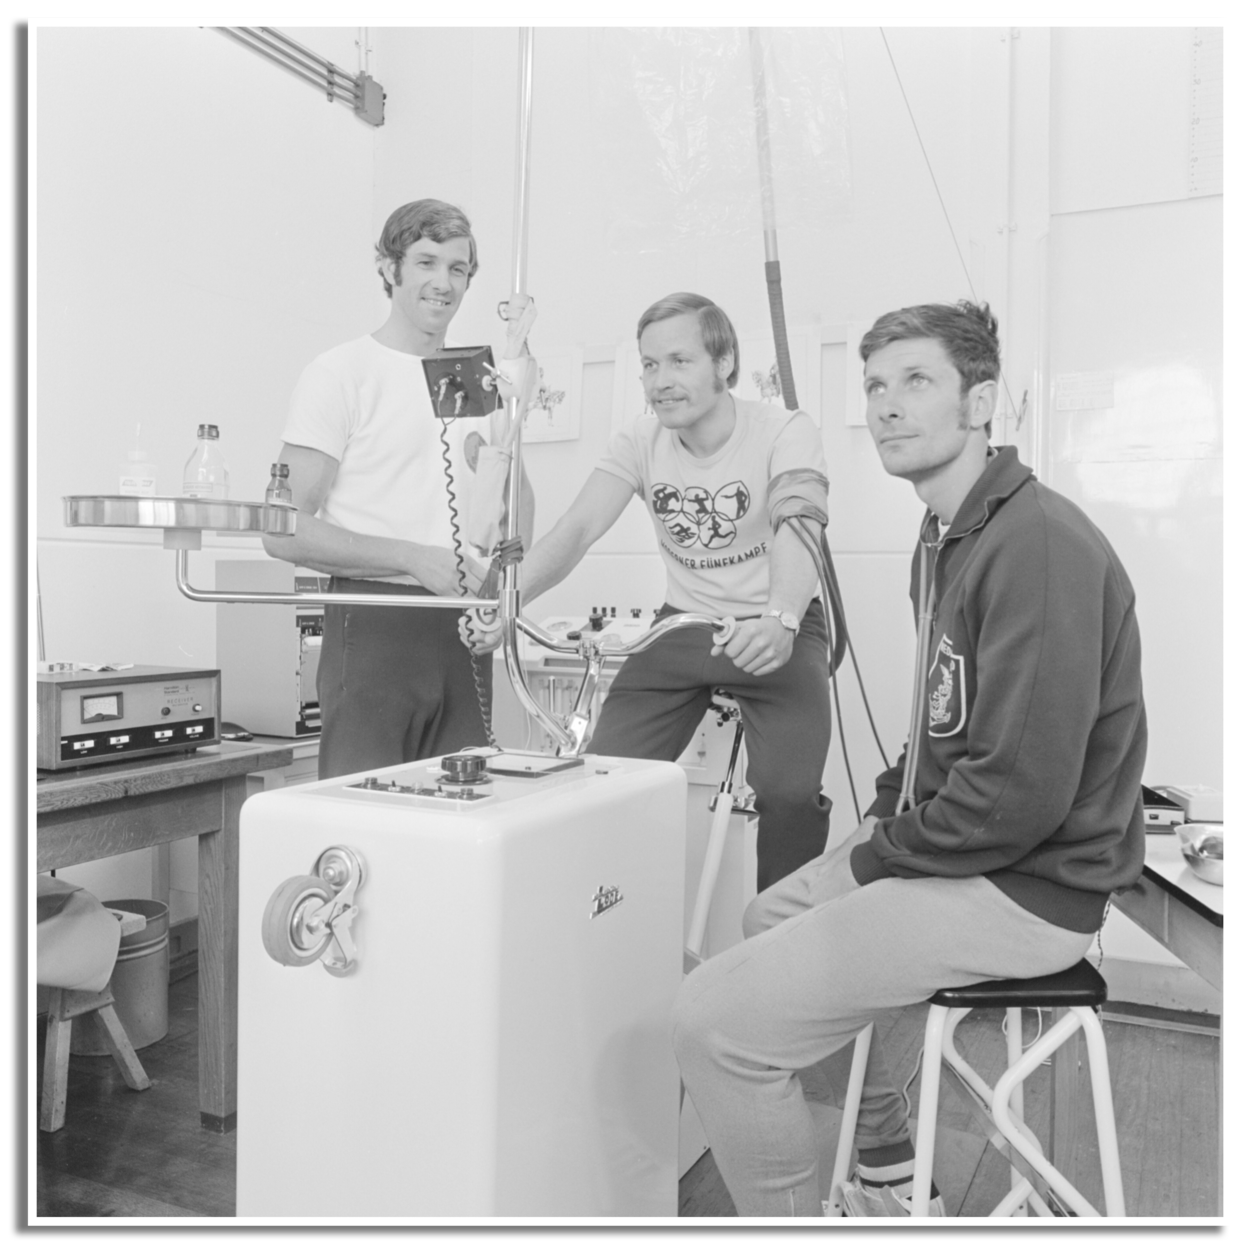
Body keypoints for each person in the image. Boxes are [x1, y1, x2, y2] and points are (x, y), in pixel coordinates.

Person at [671, 300, 1147, 1217]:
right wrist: (878, 821)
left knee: (710, 1024)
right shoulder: (945, 539)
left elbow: (1014, 799)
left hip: (1023, 886)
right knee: (767, 912)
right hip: (967, 852)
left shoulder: (1036, 546)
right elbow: (940, 727)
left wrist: (876, 856)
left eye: (916, 381)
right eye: (875, 386)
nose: (886, 405)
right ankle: (888, 1158)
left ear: (981, 401)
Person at [467, 292, 834, 891]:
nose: (660, 381)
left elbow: (799, 526)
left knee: (790, 795)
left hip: (771, 626)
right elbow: (577, 529)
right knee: (604, 779)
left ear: (724, 363)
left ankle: (783, 931)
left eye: (679, 361)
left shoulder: (784, 431)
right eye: (649, 364)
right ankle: (608, 913)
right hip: (683, 626)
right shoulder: (639, 440)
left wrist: (783, 617)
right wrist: (507, 605)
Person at [263, 199, 533, 779]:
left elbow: (515, 516)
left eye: (458, 268)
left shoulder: (481, 381)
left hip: (465, 631)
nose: (444, 283)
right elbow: (280, 529)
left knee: (462, 815)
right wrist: (414, 558)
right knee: (364, 814)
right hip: (375, 626)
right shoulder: (341, 374)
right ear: (389, 268)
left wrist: (499, 595)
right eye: (426, 262)